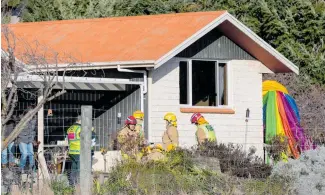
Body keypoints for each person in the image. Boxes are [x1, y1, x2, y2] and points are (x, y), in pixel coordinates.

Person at [66, 115, 94, 185]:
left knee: (74, 168)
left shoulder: (70, 128)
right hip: (79, 151)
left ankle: (72, 184)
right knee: (80, 169)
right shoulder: (80, 128)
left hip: (72, 152)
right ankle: (79, 184)